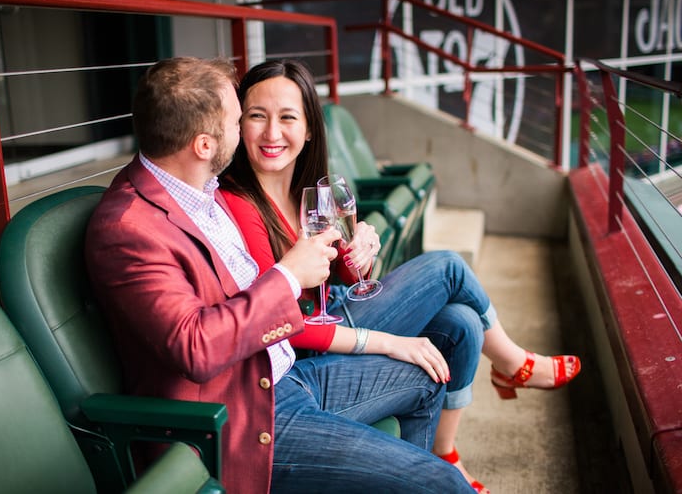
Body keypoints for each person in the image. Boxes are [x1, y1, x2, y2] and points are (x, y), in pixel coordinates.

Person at [85, 56, 476, 494]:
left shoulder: (201, 191)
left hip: (284, 376)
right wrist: (288, 275)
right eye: (240, 120)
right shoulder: (128, 229)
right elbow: (195, 347)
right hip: (242, 417)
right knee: (442, 483)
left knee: (429, 375)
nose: (250, 133)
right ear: (204, 145)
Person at [220, 58, 583, 493]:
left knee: (462, 324)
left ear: (310, 127)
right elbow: (278, 321)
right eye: (257, 116)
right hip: (306, 347)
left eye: (287, 117)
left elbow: (339, 274)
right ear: (239, 125)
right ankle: (512, 364)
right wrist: (386, 335)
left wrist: (362, 258)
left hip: (332, 312)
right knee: (447, 265)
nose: (272, 133)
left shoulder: (309, 190)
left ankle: (443, 453)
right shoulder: (239, 203)